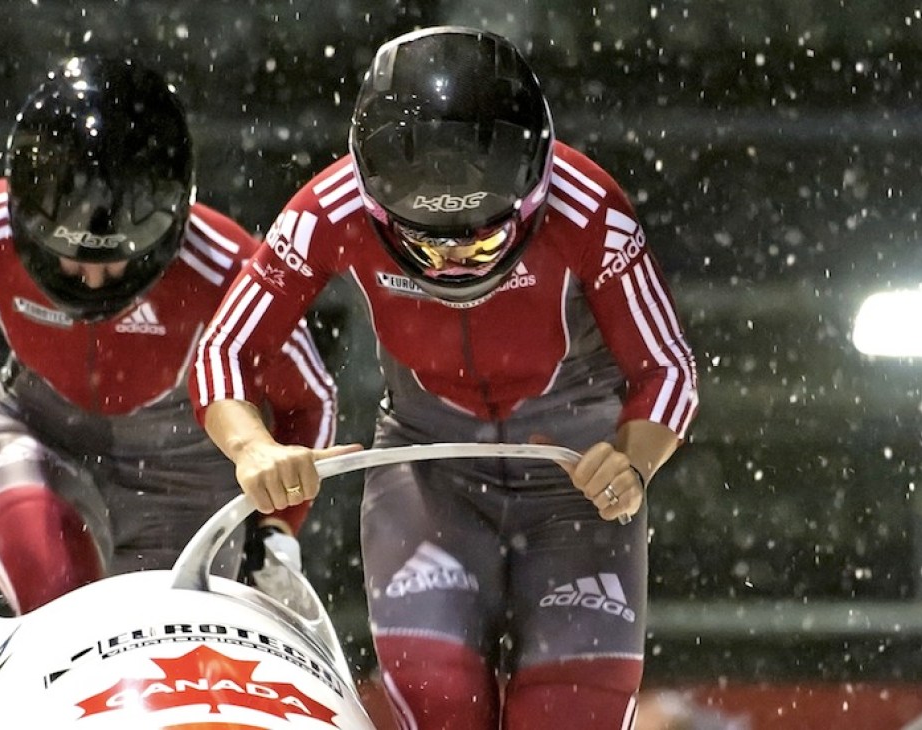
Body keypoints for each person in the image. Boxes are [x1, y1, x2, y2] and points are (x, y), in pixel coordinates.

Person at [192, 27, 699, 730]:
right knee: (442, 701)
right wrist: (253, 448)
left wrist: (634, 460)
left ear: (532, 193)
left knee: (567, 713)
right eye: (423, 242)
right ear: (375, 203)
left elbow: (666, 367)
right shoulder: (325, 211)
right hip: (431, 472)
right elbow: (226, 348)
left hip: (574, 480)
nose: (453, 264)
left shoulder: (589, 207)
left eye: (483, 240)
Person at [0, 56, 338, 615]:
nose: (92, 279)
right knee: (51, 584)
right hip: (36, 433)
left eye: (117, 260)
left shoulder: (225, 266)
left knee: (171, 653)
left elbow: (309, 398)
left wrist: (276, 528)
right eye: (69, 256)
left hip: (186, 468)